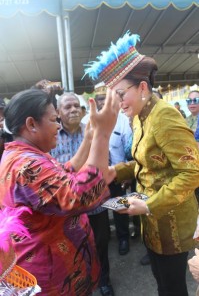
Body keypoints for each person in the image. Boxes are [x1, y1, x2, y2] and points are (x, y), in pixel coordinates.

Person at [84, 31, 199, 296]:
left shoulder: (165, 115)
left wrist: (149, 204)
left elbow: (191, 173)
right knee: (161, 282)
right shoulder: (138, 116)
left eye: (120, 94)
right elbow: (146, 163)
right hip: (150, 219)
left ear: (143, 88)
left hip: (171, 222)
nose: (117, 102)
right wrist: (116, 170)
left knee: (172, 288)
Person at [0, 88, 120, 295]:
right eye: (54, 120)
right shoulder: (26, 165)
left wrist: (89, 139)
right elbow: (79, 196)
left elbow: (61, 175)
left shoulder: (25, 155)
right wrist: (103, 133)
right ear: (31, 124)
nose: (58, 126)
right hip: (52, 277)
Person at [82, 83, 133, 257]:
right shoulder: (86, 121)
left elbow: (128, 148)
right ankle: (103, 241)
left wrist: (126, 173)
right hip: (95, 178)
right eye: (99, 99)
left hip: (117, 173)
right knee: (100, 212)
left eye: (105, 98)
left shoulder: (123, 119)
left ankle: (123, 237)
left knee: (120, 209)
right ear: (94, 101)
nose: (103, 102)